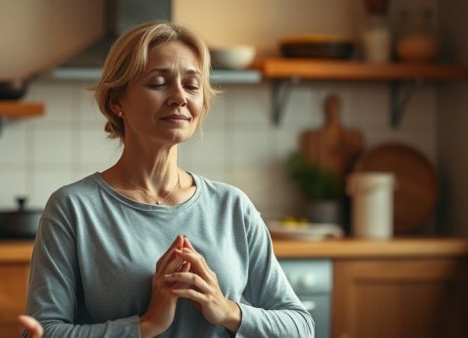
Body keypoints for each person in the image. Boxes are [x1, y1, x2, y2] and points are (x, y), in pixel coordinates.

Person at [20, 20, 315, 338]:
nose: (179, 97)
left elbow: (300, 326)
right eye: (159, 83)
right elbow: (42, 331)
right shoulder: (74, 208)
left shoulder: (233, 206)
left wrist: (226, 309)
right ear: (117, 101)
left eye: (191, 85)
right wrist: (146, 325)